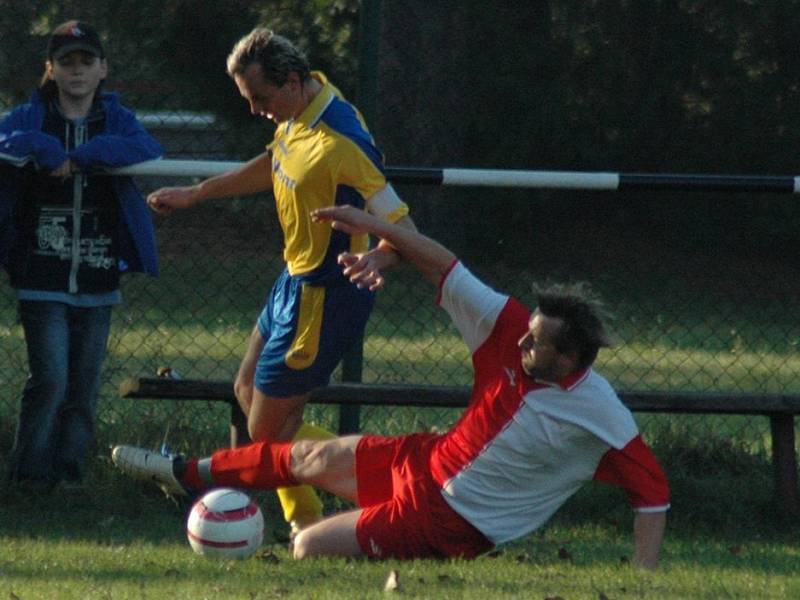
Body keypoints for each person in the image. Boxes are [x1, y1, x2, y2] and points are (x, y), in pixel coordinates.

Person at [112, 204, 670, 568]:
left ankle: (266, 538)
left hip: (450, 520)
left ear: (569, 359)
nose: (521, 344)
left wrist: (643, 581)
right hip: (428, 460)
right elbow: (444, 264)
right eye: (525, 334)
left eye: (536, 343)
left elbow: (653, 495)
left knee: (307, 547)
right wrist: (374, 229)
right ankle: (183, 473)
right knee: (304, 455)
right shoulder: (510, 329)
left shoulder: (601, 412)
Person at [144, 28, 416, 534]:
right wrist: (198, 192)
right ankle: (307, 519)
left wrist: (384, 257)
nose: (255, 111)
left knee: (265, 434)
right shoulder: (300, 107)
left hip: (328, 295)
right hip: (292, 280)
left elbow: (403, 226)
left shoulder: (342, 141)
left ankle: (394, 486)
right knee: (246, 390)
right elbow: (275, 163)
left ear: (290, 82)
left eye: (261, 99)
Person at [0, 20, 162, 486]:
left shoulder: (117, 120)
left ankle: (70, 476)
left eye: (86, 61)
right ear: (49, 69)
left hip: (97, 275)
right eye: (66, 62)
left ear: (102, 69)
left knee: (83, 385)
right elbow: (5, 140)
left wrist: (87, 155)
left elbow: (146, 148)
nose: (77, 71)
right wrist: (43, 147)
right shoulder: (29, 117)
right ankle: (28, 476)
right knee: (49, 380)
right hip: (40, 273)